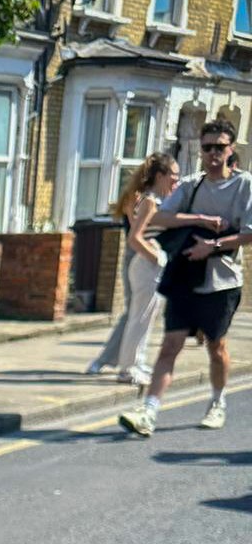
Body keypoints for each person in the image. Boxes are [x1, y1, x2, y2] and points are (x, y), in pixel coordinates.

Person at [119, 118, 251, 436]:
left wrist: (213, 246)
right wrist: (199, 218)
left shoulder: (244, 184)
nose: (213, 154)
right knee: (169, 346)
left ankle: (217, 402)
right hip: (185, 278)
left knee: (216, 346)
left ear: (231, 149)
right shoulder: (191, 185)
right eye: (207, 148)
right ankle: (148, 412)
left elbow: (249, 233)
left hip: (222, 280)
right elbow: (159, 216)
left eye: (220, 147)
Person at [86, 153, 179, 386]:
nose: (176, 182)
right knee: (137, 317)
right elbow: (134, 238)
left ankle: (134, 364)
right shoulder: (147, 201)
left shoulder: (147, 199)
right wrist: (157, 258)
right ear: (160, 175)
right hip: (144, 264)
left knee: (142, 317)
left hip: (143, 262)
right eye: (174, 177)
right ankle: (125, 367)